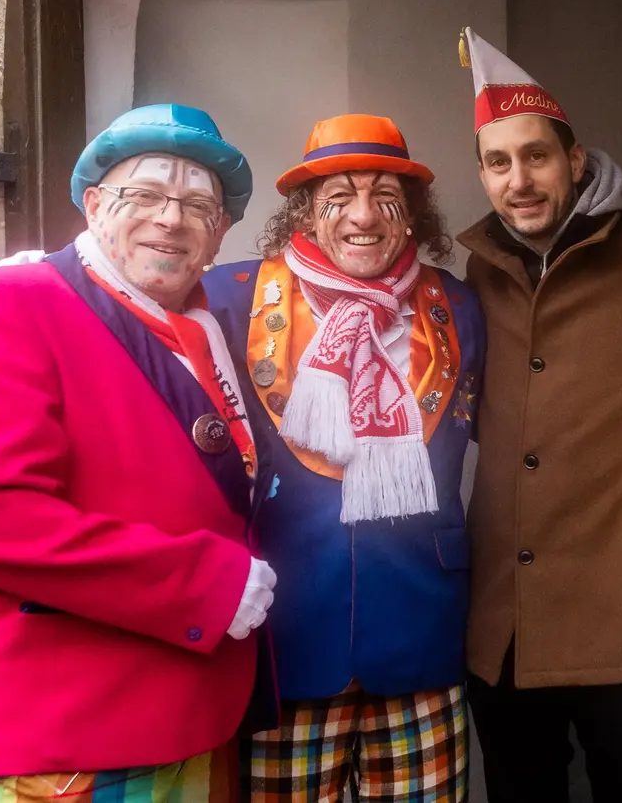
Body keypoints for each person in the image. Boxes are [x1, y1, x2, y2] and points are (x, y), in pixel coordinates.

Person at [0, 103, 272, 802]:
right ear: (91, 205)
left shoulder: (214, 332)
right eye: (144, 194)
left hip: (198, 719)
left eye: (198, 204)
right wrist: (200, 584)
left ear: (220, 234)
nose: (171, 219)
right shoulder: (4, 304)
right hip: (70, 740)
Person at [454, 28, 622, 802]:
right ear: (482, 174)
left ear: (575, 162)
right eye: (498, 162)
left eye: (536, 156)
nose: (520, 179)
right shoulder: (475, 275)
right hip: (503, 623)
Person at [200, 113, 483, 802]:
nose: (363, 217)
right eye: (338, 199)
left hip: (422, 628)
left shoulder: (464, 307)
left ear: (411, 216)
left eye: (386, 197)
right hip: (283, 635)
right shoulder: (228, 298)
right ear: (304, 212)